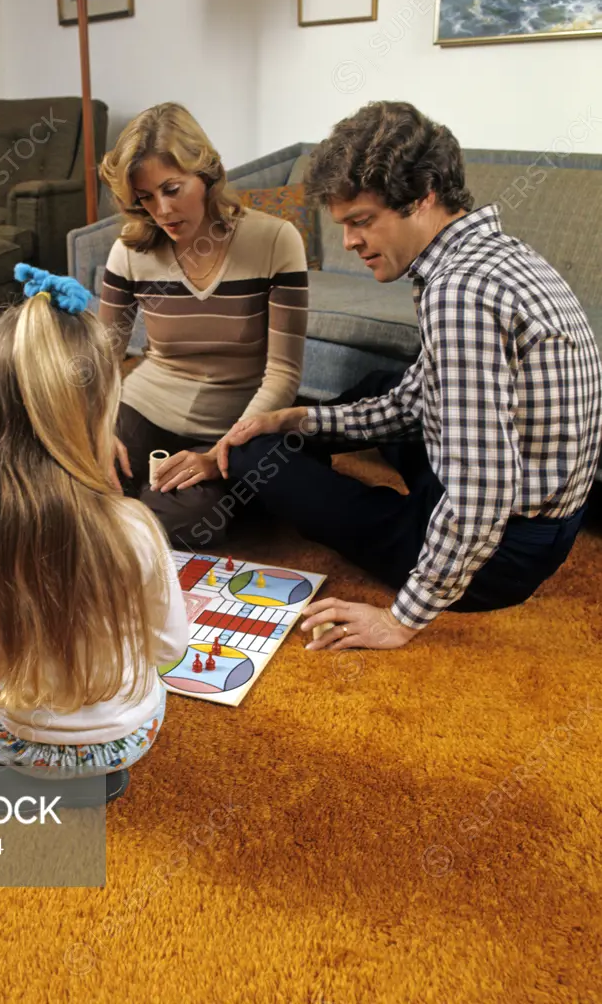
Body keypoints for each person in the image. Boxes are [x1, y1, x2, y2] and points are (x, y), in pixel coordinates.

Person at [219, 101, 602, 650]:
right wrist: (301, 414)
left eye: (361, 221)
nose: (349, 241)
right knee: (376, 386)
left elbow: (482, 489)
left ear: (423, 195)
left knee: (257, 456)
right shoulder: (492, 255)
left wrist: (402, 618)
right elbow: (414, 403)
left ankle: (307, 492)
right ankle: (308, 461)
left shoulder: (459, 294)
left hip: (501, 556)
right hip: (547, 517)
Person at [0, 266, 188, 795]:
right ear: (101, 414)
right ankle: (73, 787)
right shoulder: (135, 529)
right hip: (124, 738)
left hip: (13, 737)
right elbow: (170, 646)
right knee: (115, 764)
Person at [97, 102, 309, 548]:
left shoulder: (275, 241)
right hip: (145, 404)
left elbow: (284, 376)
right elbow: (103, 359)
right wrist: (97, 429)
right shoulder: (130, 250)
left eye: (172, 189)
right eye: (146, 198)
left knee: (186, 521)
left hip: (234, 422)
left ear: (207, 174)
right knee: (82, 479)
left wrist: (218, 457)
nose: (162, 210)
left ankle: (142, 512)